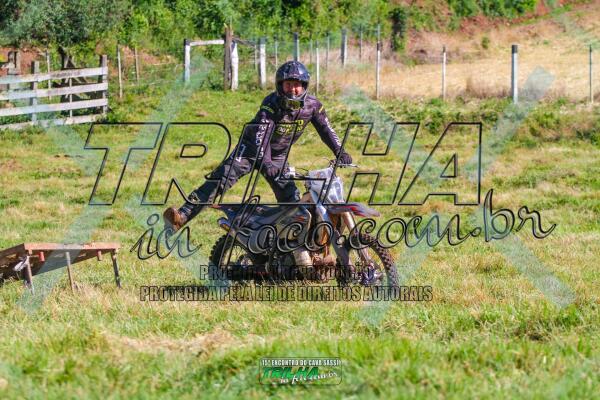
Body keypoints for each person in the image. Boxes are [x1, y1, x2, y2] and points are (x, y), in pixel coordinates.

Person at [163, 60, 352, 232]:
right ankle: (182, 216)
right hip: (249, 151)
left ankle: (292, 245)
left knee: (292, 201)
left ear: (304, 86)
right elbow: (261, 135)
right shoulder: (271, 103)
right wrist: (266, 162)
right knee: (221, 179)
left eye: (297, 85)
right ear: (280, 85)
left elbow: (326, 129)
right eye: (288, 84)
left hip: (277, 157)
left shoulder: (313, 106)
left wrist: (340, 151)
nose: (293, 90)